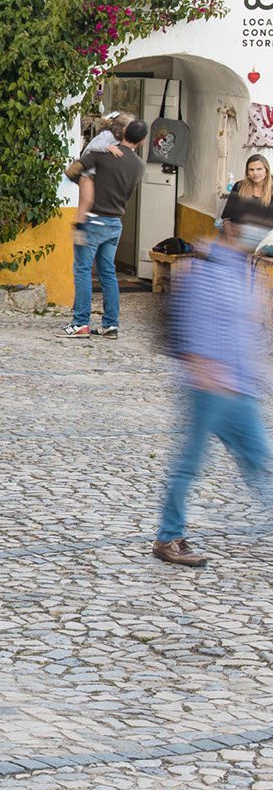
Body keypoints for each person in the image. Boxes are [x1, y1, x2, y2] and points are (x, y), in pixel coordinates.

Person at [153, 200, 273, 568]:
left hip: (239, 388)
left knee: (261, 462)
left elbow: (246, 324)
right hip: (208, 388)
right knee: (189, 463)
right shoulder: (205, 266)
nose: (257, 235)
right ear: (232, 225)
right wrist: (204, 371)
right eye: (253, 226)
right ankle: (168, 538)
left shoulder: (241, 266)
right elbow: (193, 326)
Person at [66, 117, 147, 340]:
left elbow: (72, 171)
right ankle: (111, 324)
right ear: (142, 141)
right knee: (108, 273)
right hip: (114, 224)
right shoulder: (139, 166)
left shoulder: (102, 155)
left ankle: (81, 323)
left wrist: (86, 181)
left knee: (83, 270)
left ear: (121, 133)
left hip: (92, 220)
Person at [222, 154, 273, 226]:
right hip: (236, 230)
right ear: (247, 172)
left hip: (263, 234)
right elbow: (227, 216)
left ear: (266, 171)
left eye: (259, 169)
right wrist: (227, 226)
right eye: (251, 169)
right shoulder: (239, 186)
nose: (255, 173)